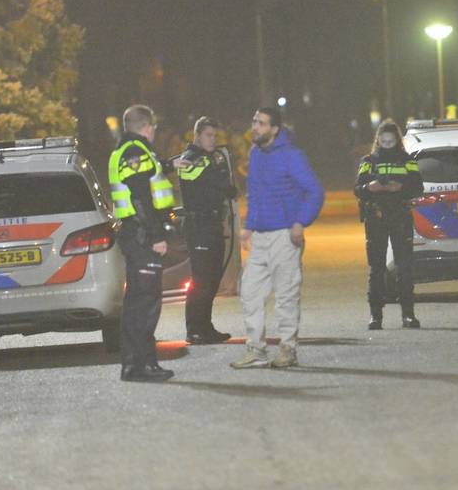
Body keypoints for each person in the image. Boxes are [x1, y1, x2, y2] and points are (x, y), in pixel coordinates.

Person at [230, 107, 324, 370]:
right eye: (254, 121)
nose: (255, 127)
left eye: (261, 123)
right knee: (249, 292)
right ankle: (256, 350)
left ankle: (287, 349)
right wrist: (249, 227)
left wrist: (300, 223)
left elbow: (315, 191)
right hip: (260, 237)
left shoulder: (291, 156)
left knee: (285, 295)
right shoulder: (256, 154)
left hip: (285, 236)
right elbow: (256, 194)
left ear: (275, 129)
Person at [109, 104, 178, 382]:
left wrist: (172, 165)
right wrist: (156, 236)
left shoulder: (128, 149)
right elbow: (140, 196)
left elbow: (146, 177)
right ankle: (142, 365)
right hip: (141, 235)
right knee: (145, 304)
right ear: (147, 127)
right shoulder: (135, 151)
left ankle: (135, 364)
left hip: (135, 234)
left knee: (137, 301)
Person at [173, 116, 237, 344]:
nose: (213, 140)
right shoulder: (189, 159)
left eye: (215, 136)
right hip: (198, 225)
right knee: (200, 280)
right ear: (197, 136)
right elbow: (190, 175)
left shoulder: (210, 159)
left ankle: (206, 326)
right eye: (209, 135)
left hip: (212, 224)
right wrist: (218, 178)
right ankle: (194, 329)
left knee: (211, 280)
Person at [354, 121, 423, 330]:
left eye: (391, 141)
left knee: (404, 267)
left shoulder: (407, 161)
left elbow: (417, 186)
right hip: (376, 217)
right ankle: (376, 316)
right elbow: (358, 189)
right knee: (376, 268)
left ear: (397, 141)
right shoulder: (369, 161)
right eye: (383, 141)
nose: (387, 145)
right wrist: (370, 187)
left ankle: (408, 315)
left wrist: (399, 187)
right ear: (377, 141)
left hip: (400, 216)